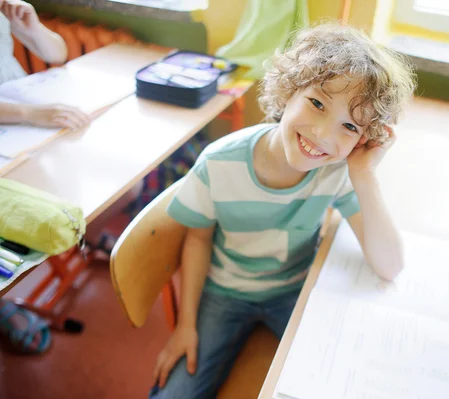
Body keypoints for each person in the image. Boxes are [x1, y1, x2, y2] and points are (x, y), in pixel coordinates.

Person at [149, 22, 416, 398]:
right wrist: (185, 325)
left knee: (343, 381)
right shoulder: (219, 163)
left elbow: (390, 266)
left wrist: (364, 173)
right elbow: (197, 240)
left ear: (364, 138)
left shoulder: (338, 171)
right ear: (289, 90)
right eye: (318, 103)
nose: (324, 134)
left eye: (349, 126)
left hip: (297, 290)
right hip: (226, 291)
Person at [0, 0, 89, 129]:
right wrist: (30, 113)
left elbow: (57, 55)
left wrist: (33, 27)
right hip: (16, 113)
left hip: (15, 95)